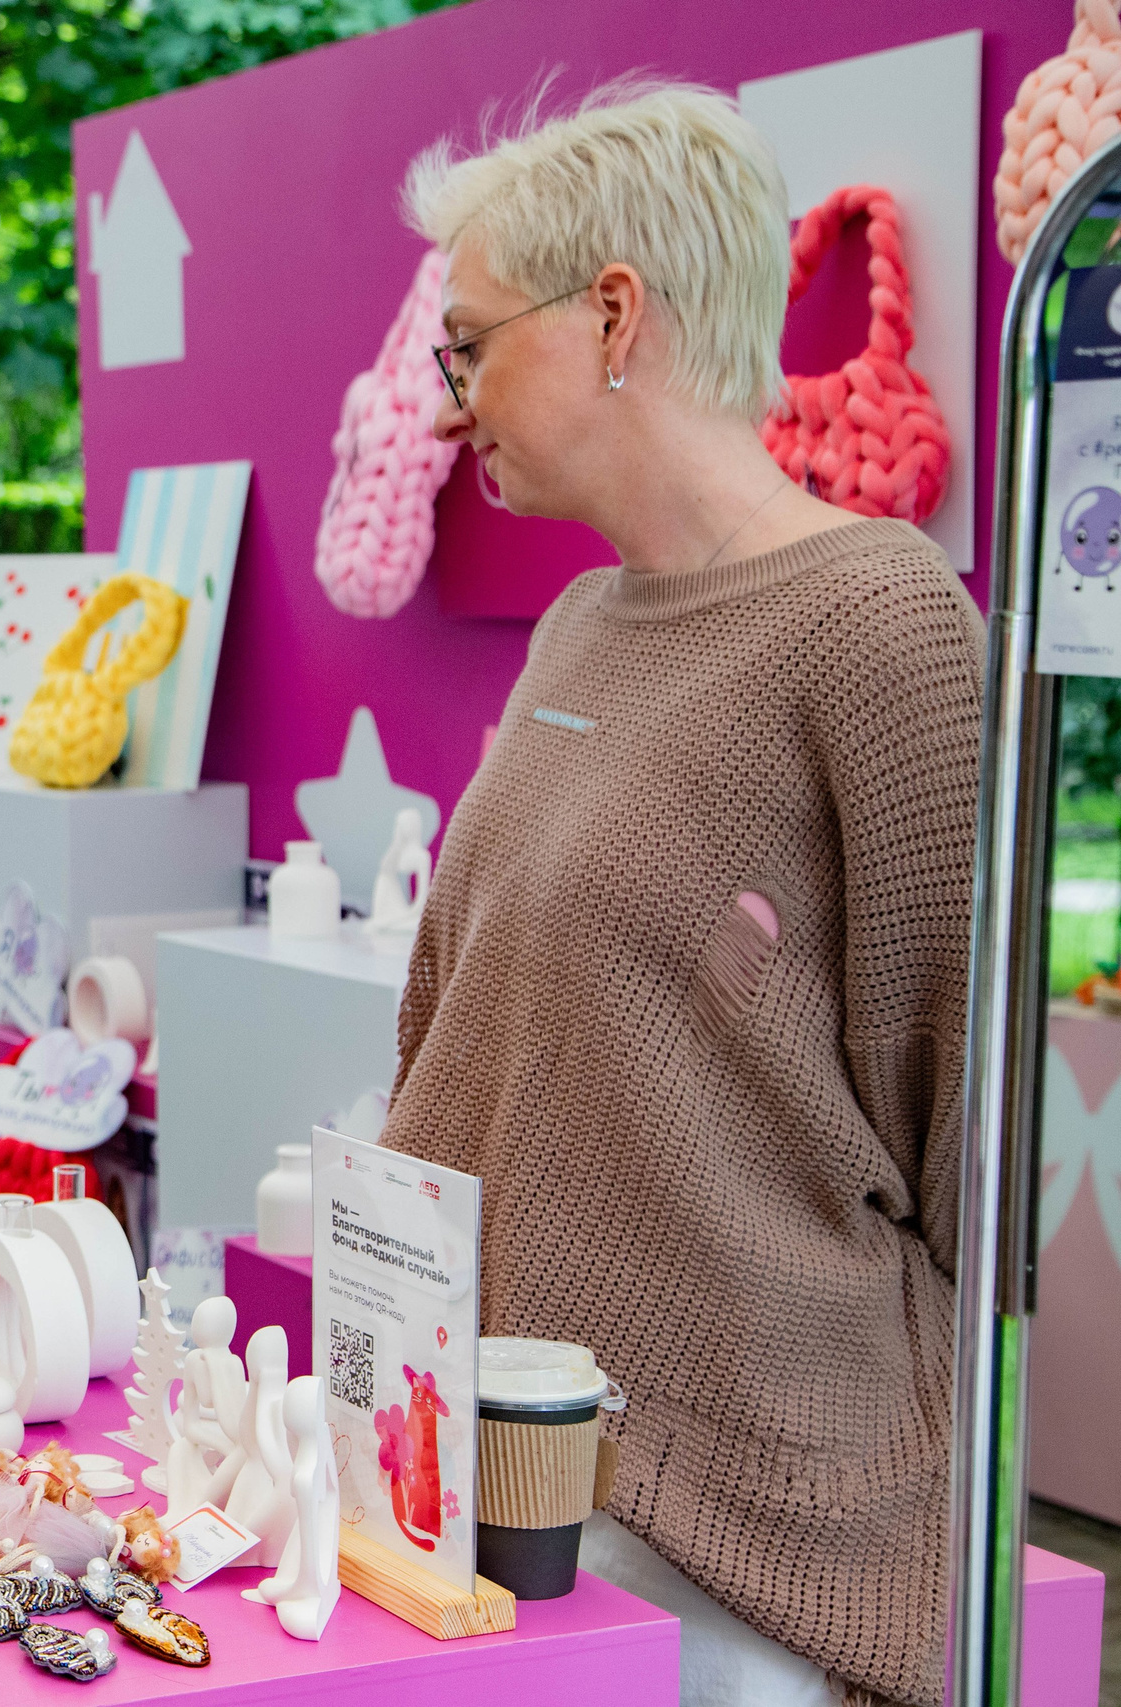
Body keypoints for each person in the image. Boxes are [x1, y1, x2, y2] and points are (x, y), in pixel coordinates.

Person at [386, 84, 980, 1707]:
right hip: (496, 1461)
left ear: (614, 313)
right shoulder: (582, 624)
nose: (446, 406)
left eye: (467, 347)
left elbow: (965, 1139)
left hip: (735, 1531)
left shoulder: (883, 625)